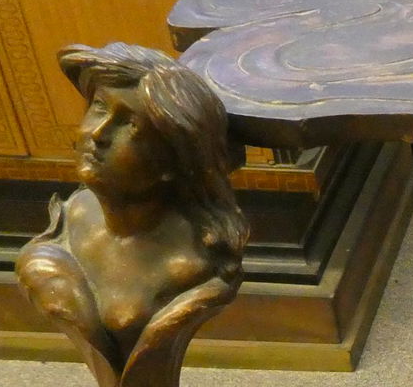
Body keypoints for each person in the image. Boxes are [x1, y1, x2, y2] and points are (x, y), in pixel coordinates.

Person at [18, 43, 248, 364]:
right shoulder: (75, 213)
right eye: (99, 106)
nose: (98, 133)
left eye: (131, 125)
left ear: (173, 162)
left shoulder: (185, 264)